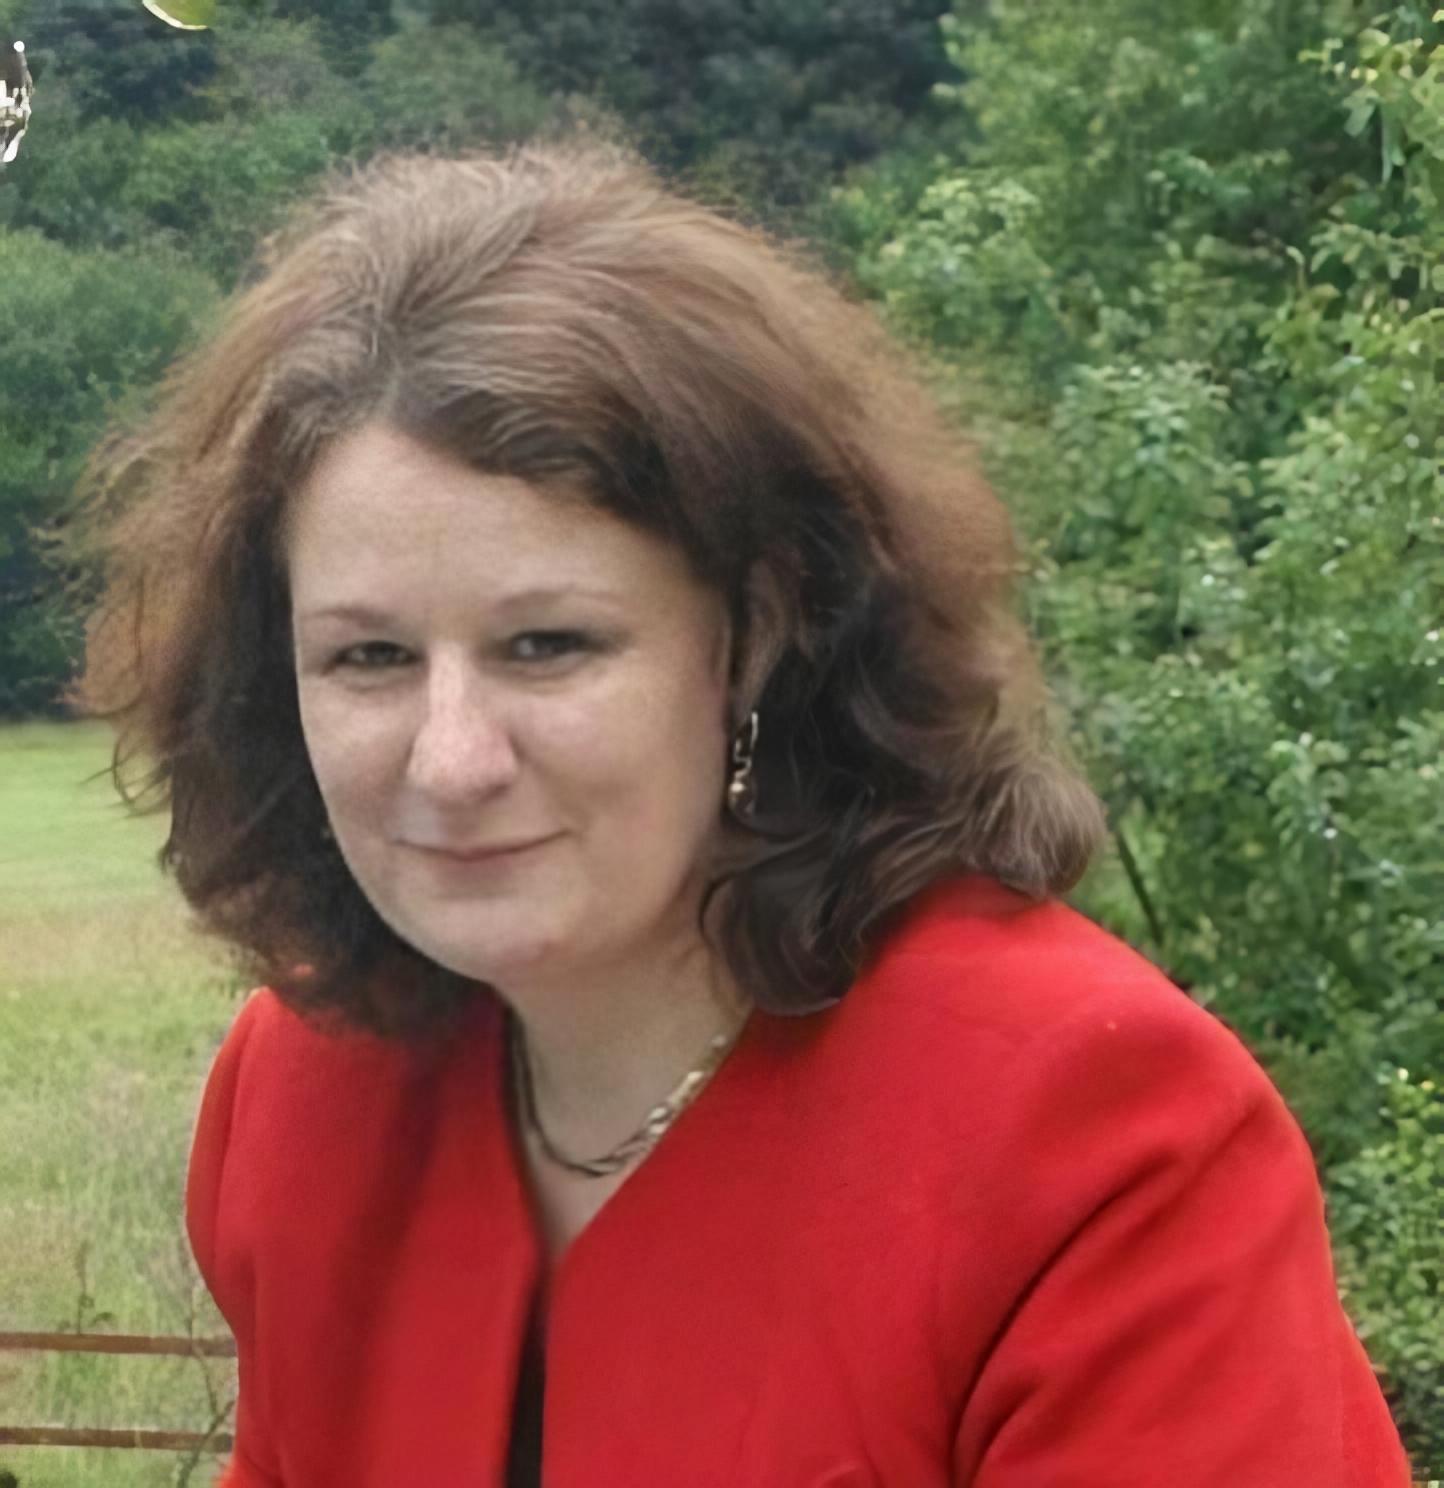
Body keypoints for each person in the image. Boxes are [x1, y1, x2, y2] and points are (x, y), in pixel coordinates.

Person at [76, 140, 1415, 1487]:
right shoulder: (306, 1093)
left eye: (549, 645)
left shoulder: (1092, 1138)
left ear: (758, 636)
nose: (452, 759)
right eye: (368, 658)